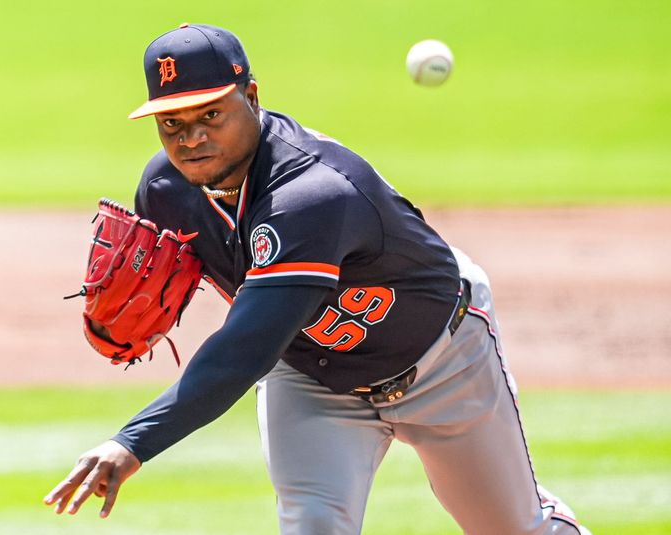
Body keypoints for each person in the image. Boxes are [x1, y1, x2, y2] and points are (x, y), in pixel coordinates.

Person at [44, 23, 590, 535]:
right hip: (312, 376)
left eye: (210, 115)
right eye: (173, 123)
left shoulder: (313, 195)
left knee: (513, 527)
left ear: (251, 98)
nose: (191, 138)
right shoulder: (165, 191)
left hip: (442, 361)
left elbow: (244, 350)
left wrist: (132, 442)